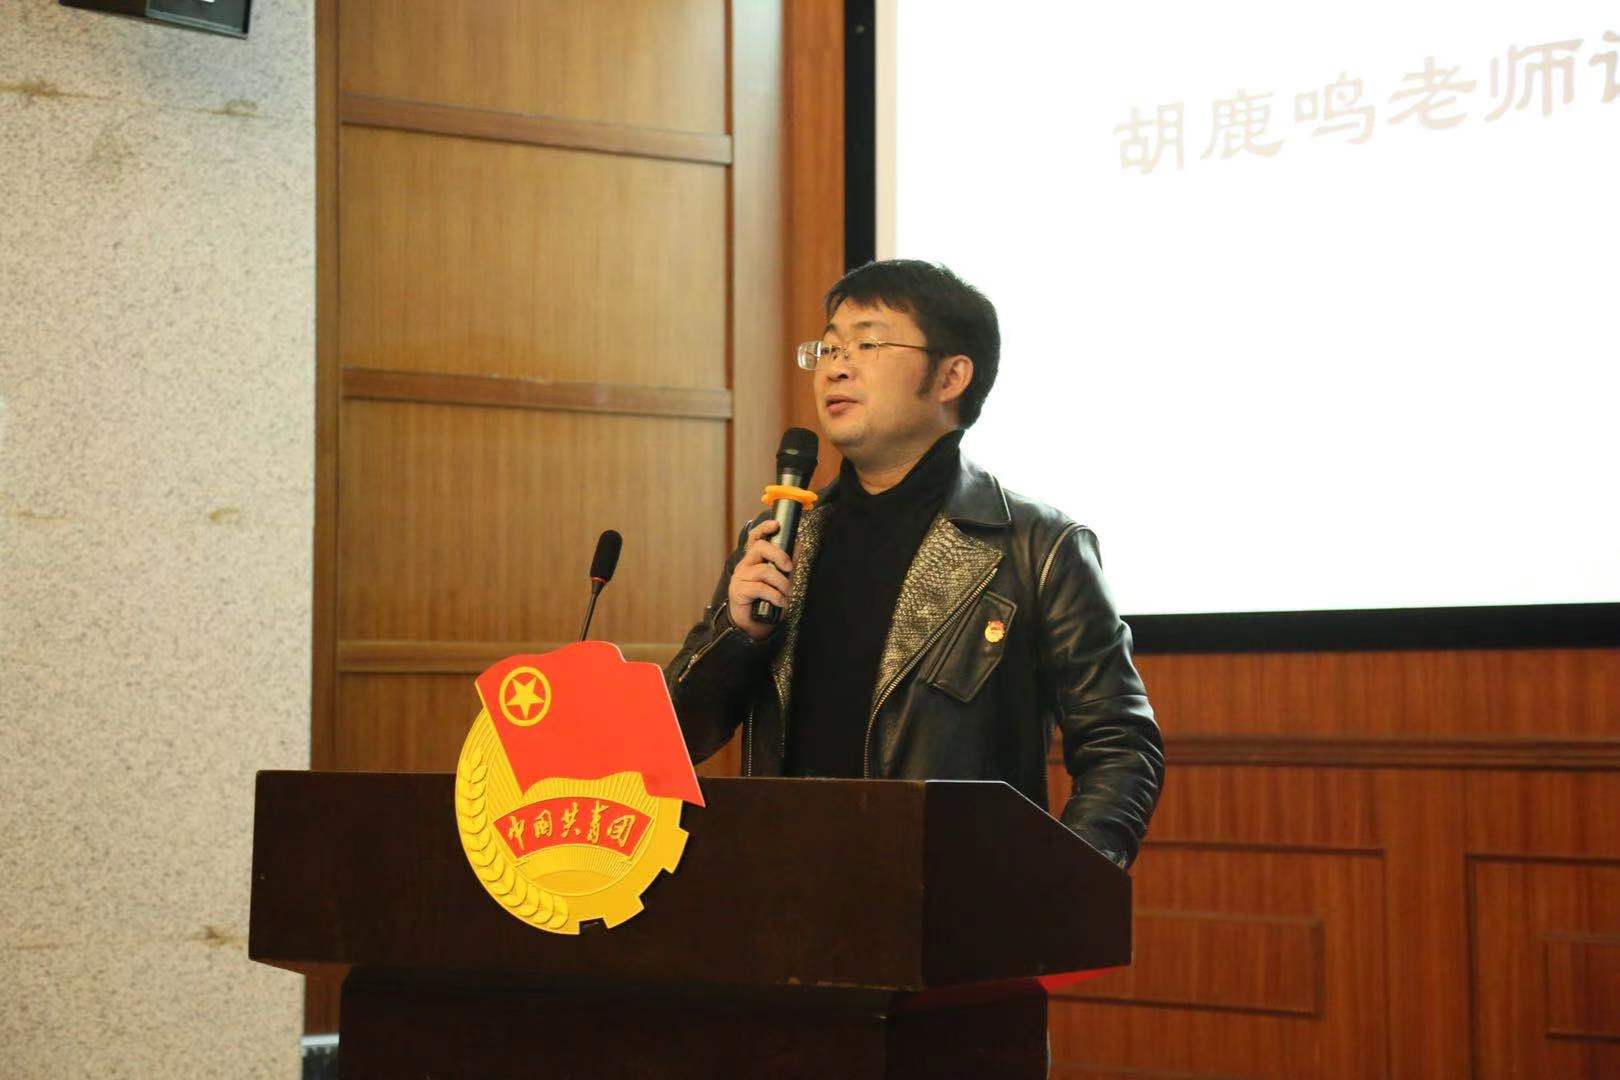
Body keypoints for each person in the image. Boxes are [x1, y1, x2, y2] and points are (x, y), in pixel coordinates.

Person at [663, 259, 1163, 868]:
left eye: (868, 344)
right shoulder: (779, 540)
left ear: (951, 376)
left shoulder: (1038, 547)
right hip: (786, 888)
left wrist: (1060, 883)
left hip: (954, 898)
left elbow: (1120, 745)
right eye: (829, 348)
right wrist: (738, 636)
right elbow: (679, 738)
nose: (836, 366)